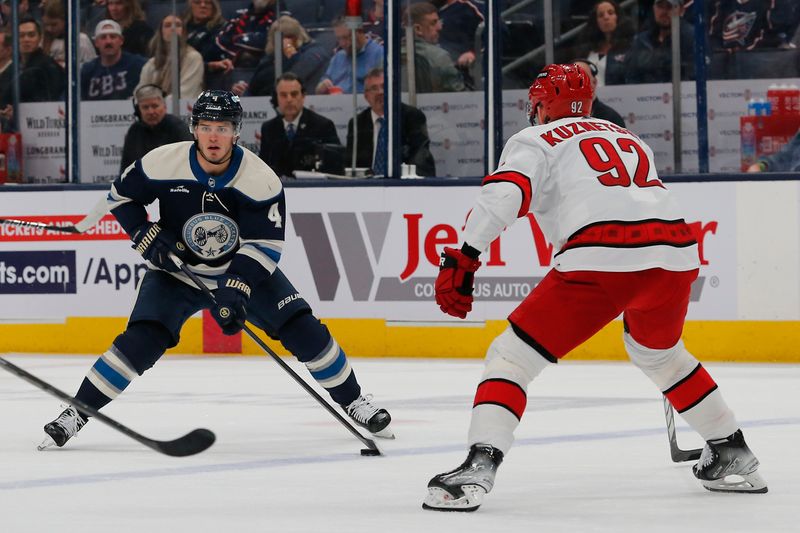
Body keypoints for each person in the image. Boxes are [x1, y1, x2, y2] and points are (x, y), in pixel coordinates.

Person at [422, 63, 766, 512]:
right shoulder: (625, 135)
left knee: (511, 356)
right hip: (677, 253)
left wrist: (464, 255)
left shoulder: (535, 139)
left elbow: (505, 195)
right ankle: (731, 448)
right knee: (660, 354)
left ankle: (478, 466)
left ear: (544, 106)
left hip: (603, 255)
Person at [38, 90, 393, 452]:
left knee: (304, 331)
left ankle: (354, 401)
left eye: (222, 128)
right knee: (140, 342)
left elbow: (265, 244)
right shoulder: (162, 162)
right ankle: (76, 413)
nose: (213, 136)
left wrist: (237, 286)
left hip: (240, 273)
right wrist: (143, 232)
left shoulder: (261, 179)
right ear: (193, 128)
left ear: (237, 132)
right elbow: (121, 197)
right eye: (205, 126)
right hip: (177, 272)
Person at [346, 68, 436, 177]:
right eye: (374, 88)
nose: (380, 92)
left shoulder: (411, 117)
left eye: (384, 87)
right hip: (367, 186)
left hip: (400, 185)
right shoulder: (358, 123)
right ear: (366, 96)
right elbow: (351, 164)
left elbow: (420, 157)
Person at [258, 72, 340, 178]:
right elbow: (263, 168)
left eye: (294, 94)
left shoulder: (323, 125)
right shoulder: (268, 128)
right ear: (276, 98)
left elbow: (335, 167)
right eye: (283, 95)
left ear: (303, 96)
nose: (289, 100)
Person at [244, 15, 332, 97]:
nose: (285, 41)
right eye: (280, 37)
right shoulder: (268, 59)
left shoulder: (312, 53)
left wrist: (289, 56)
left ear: (297, 36)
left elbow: (292, 79)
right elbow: (253, 87)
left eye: (289, 36)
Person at [120, 84, 193, 172]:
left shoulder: (178, 129)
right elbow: (125, 169)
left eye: (155, 106)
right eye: (145, 107)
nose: (150, 111)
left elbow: (189, 165)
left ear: (164, 107)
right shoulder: (134, 131)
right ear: (138, 110)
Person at [624, 0, 696, 84]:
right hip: (644, 94)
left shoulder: (693, 37)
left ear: (681, 10)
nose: (664, 11)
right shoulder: (641, 40)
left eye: (670, 7)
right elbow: (631, 76)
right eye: (660, 6)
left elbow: (694, 76)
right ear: (654, 8)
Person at [136, 14, 204, 100]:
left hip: (184, 110)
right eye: (167, 25)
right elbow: (141, 91)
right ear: (161, 32)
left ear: (184, 32)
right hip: (153, 109)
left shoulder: (193, 57)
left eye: (178, 25)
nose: (173, 29)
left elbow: (185, 92)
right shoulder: (152, 63)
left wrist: (157, 104)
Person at [568, 0, 634, 86]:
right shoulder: (586, 49)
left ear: (618, 17)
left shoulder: (630, 47)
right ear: (596, 21)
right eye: (601, 15)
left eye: (610, 13)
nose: (606, 18)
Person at [404, 2, 466, 93]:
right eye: (433, 23)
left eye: (438, 22)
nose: (439, 27)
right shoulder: (439, 57)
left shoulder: (388, 58)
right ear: (418, 29)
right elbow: (459, 95)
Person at [81, 19, 146, 100]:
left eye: (113, 37)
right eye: (103, 37)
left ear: (121, 41)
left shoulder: (138, 65)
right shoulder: (87, 71)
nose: (108, 41)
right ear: (96, 43)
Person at [315, 17, 384, 95]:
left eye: (346, 37)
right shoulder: (338, 57)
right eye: (339, 38)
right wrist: (322, 87)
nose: (342, 43)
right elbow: (321, 86)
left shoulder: (379, 54)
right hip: (335, 104)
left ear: (359, 31)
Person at [212, 0, 276, 68]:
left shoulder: (278, 17)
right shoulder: (240, 16)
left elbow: (263, 41)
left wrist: (236, 39)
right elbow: (221, 40)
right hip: (228, 66)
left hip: (264, 69)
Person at [183, 0, 229, 87]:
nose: (203, 5)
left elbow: (210, 53)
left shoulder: (222, 28)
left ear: (214, 6)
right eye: (197, 2)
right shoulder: (182, 27)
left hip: (210, 77)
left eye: (208, 2)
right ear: (190, 6)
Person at [41, 0, 96, 69]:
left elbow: (92, 68)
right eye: (46, 24)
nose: (49, 29)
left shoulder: (81, 40)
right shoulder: (41, 42)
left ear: (65, 20)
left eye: (54, 24)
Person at [573, 59, 626, 127]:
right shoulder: (562, 116)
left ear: (594, 82)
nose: (578, 84)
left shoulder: (611, 119)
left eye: (584, 79)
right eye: (573, 80)